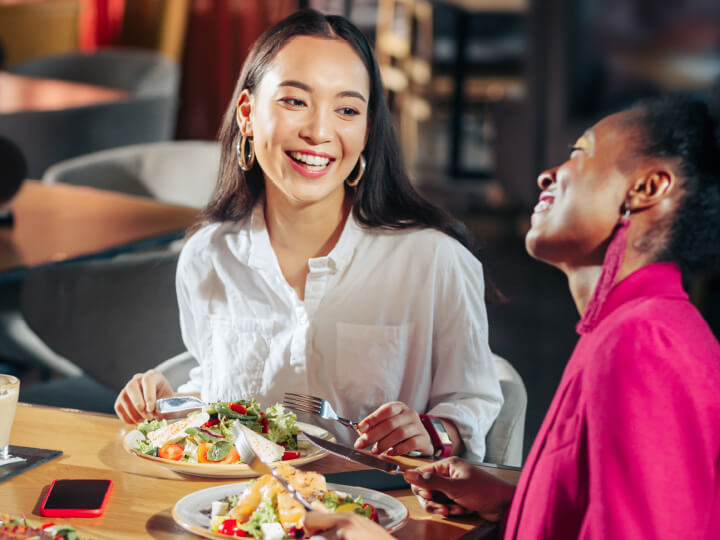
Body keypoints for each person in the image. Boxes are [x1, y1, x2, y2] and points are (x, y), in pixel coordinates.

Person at [304, 89, 720, 538]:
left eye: (581, 155)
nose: (547, 175)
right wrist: (512, 500)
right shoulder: (626, 328)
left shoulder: (644, 343)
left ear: (646, 188)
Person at [113, 9, 503, 460]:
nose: (319, 131)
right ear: (247, 114)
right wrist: (173, 403)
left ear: (367, 131)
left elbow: (473, 402)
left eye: (346, 110)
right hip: (239, 514)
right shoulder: (208, 253)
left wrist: (433, 432)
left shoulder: (434, 259)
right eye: (295, 101)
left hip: (374, 513)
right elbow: (216, 381)